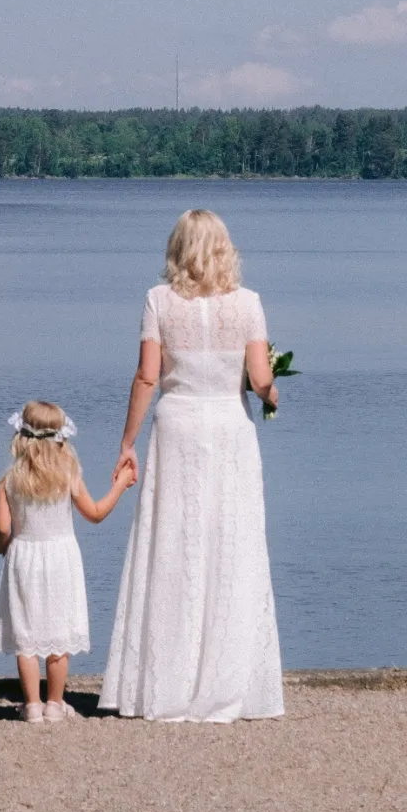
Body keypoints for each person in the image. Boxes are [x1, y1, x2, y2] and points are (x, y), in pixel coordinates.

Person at [100, 209, 286, 722]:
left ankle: (165, 683)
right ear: (225, 250)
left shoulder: (159, 301)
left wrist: (126, 442)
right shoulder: (248, 304)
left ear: (178, 249)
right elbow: (259, 376)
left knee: (174, 546)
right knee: (231, 547)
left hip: (178, 427)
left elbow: (146, 377)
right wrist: (272, 395)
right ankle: (232, 684)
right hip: (229, 430)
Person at [0, 401, 126, 723]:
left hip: (24, 557)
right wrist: (120, 486)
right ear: (61, 437)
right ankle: (54, 703)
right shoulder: (69, 476)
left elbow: (2, 528)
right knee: (58, 634)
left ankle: (32, 706)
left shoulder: (9, 481)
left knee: (26, 635)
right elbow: (94, 514)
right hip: (61, 559)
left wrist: (2, 544)